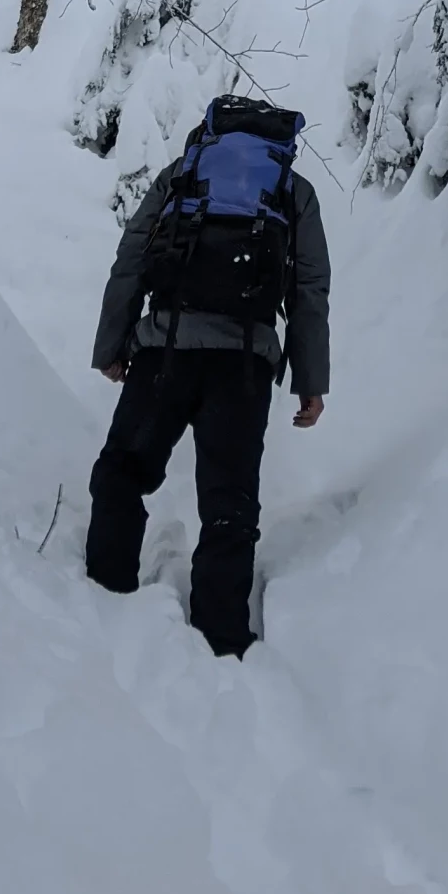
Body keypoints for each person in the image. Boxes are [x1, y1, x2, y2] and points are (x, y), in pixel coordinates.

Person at [84, 99, 331, 657]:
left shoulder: (184, 175)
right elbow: (310, 290)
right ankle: (222, 640)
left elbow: (131, 258)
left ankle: (102, 595)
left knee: (124, 469)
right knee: (229, 502)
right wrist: (310, 380)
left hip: (165, 351)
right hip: (244, 364)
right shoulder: (294, 191)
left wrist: (112, 345)